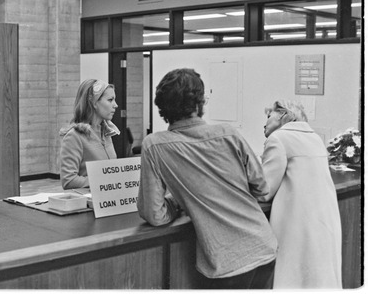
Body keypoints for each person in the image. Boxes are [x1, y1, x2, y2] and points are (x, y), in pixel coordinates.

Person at [137, 68, 278, 289]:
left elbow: (155, 214)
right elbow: (262, 189)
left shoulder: (154, 145)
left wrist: (177, 203)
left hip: (225, 261)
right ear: (198, 103)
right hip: (263, 246)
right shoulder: (229, 133)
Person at [258, 99, 342, 289]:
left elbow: (265, 191)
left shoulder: (278, 139)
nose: (265, 123)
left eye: (269, 116)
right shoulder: (315, 138)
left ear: (284, 116)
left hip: (297, 225)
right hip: (323, 222)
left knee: (293, 280)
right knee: (319, 279)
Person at [59, 79, 120, 189]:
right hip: (88, 203)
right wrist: (106, 181)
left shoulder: (107, 133)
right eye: (110, 100)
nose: (115, 105)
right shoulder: (74, 137)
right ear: (94, 103)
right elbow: (69, 180)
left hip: (109, 201)